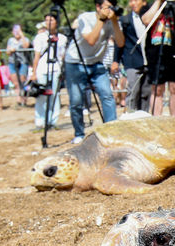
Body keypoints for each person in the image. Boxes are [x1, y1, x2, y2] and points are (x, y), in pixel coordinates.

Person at [64, 0, 125, 144]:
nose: (110, 10)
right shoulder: (85, 18)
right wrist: (102, 20)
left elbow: (121, 42)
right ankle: (79, 133)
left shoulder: (112, 21)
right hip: (75, 62)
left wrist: (115, 22)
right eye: (107, 7)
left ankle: (111, 131)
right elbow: (91, 40)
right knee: (77, 101)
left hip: (96, 63)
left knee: (107, 95)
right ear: (98, 7)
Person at [142, 0, 175, 116]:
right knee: (157, 89)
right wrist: (158, 1)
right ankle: (157, 120)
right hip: (155, 52)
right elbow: (146, 20)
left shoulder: (174, 6)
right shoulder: (150, 6)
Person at [31, 12, 68, 131]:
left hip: (56, 68)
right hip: (42, 68)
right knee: (41, 96)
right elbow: (36, 55)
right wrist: (34, 72)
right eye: (46, 20)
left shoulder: (62, 38)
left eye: (51, 20)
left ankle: (53, 121)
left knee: (54, 96)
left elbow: (62, 56)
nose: (48, 23)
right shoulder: (40, 37)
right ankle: (40, 122)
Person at [114, 0, 151, 112]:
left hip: (149, 61)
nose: (133, 3)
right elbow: (119, 42)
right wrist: (115, 60)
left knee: (147, 93)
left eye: (136, 0)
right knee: (133, 91)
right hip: (132, 61)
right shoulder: (125, 20)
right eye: (131, 1)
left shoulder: (151, 17)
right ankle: (130, 115)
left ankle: (145, 116)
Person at [7, 25, 31, 108]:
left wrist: (22, 35)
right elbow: (7, 52)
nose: (16, 33)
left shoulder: (25, 39)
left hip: (23, 62)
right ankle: (18, 100)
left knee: (23, 81)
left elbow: (26, 46)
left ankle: (24, 99)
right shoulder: (10, 40)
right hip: (12, 62)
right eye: (15, 31)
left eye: (18, 31)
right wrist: (10, 50)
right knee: (16, 82)